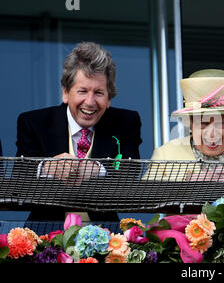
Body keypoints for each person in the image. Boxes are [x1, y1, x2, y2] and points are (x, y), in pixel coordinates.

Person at [15, 42, 142, 221]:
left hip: (107, 237)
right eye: (82, 91)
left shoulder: (126, 122)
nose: (90, 102)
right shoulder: (34, 123)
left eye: (98, 93)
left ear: (109, 99)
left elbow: (130, 172)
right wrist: (46, 167)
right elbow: (19, 177)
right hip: (46, 235)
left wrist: (98, 168)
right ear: (65, 93)